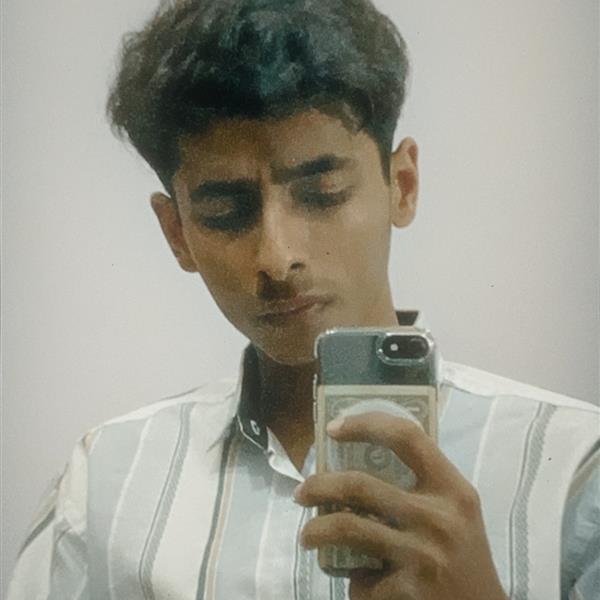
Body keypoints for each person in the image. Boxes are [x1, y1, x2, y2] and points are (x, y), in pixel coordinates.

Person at [7, 0, 599, 598]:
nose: (277, 255)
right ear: (176, 233)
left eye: (323, 193)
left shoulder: (575, 473)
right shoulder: (104, 484)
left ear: (403, 186)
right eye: (225, 211)